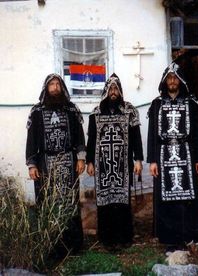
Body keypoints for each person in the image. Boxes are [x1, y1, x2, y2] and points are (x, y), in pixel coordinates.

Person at [147, 62, 198, 251]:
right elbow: (152, 134)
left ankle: (191, 235)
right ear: (165, 82)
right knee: (166, 199)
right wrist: (153, 160)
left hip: (186, 153)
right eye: (169, 78)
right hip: (164, 155)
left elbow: (197, 132)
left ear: (180, 81)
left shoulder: (190, 103)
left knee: (188, 197)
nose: (172, 81)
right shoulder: (157, 104)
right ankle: (170, 238)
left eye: (175, 78)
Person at [26, 73, 86, 254]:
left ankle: (73, 246)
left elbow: (79, 136)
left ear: (62, 87)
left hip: (68, 162)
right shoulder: (37, 112)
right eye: (51, 84)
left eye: (57, 84)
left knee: (70, 203)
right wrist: (32, 164)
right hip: (45, 163)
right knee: (47, 203)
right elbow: (31, 140)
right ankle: (51, 247)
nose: (54, 87)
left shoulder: (71, 110)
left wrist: (81, 158)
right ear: (46, 88)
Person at [86, 73, 143, 249]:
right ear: (105, 91)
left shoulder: (129, 111)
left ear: (120, 91)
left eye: (116, 88)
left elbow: (136, 137)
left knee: (122, 200)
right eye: (110, 88)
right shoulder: (96, 113)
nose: (113, 92)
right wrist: (89, 161)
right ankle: (107, 239)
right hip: (103, 164)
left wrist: (138, 159)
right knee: (105, 201)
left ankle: (124, 238)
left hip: (122, 164)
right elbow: (92, 140)